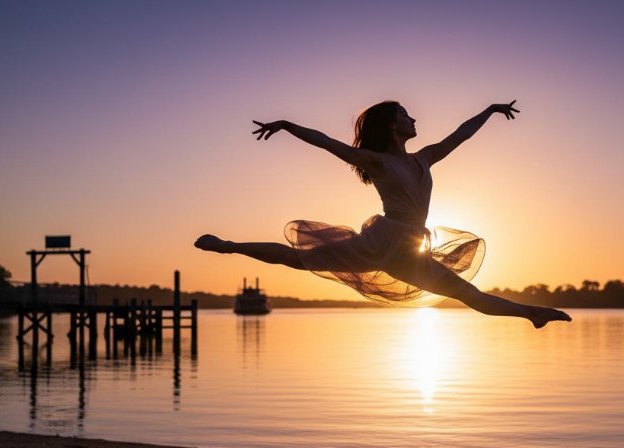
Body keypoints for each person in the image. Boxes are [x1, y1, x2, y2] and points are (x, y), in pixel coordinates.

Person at [195, 100, 571, 328]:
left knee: (467, 294)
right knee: (298, 259)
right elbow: (327, 143)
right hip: (384, 242)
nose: (414, 119)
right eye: (406, 115)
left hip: (410, 250)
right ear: (393, 125)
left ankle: (530, 313)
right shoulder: (375, 161)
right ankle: (228, 245)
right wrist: (287, 125)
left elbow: (461, 135)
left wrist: (489, 111)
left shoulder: (424, 158)